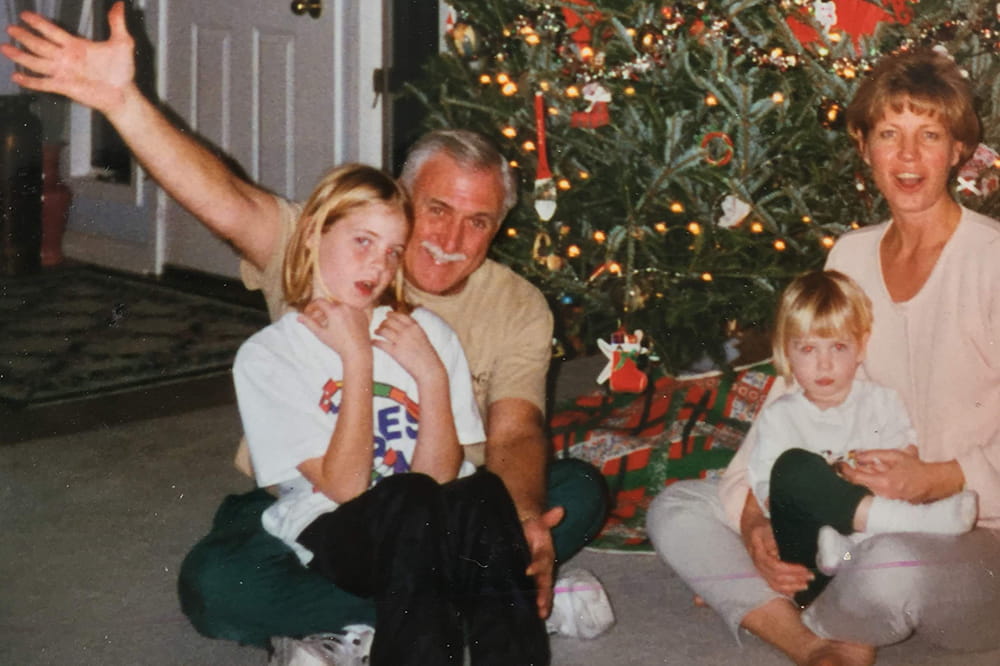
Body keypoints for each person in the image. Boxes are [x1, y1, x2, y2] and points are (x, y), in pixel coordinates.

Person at [2, 1, 608, 652]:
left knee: (572, 493)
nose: (451, 239)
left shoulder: (515, 303)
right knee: (219, 588)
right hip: (314, 498)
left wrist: (523, 519)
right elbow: (224, 198)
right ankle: (479, 595)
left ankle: (399, 605)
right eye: (435, 210)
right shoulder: (332, 249)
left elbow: (515, 429)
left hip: (454, 504)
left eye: (479, 221)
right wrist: (124, 103)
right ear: (400, 201)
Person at [647, 46, 1000, 666]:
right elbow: (794, 392)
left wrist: (939, 477)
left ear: (959, 150)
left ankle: (817, 607)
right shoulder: (851, 257)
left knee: (892, 569)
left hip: (970, 528)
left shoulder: (991, 261)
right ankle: (815, 647)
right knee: (678, 510)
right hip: (846, 505)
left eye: (930, 135)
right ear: (864, 147)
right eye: (890, 134)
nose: (910, 157)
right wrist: (755, 518)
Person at [234, 162, 547, 665]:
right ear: (314, 234)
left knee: (485, 491)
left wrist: (432, 377)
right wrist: (357, 357)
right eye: (363, 242)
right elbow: (345, 488)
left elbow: (440, 476)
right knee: (407, 499)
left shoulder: (422, 334)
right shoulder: (270, 355)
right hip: (338, 530)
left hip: (425, 517)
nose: (378, 267)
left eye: (392, 251)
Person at [747, 269, 977, 608]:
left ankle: (866, 544)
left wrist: (885, 470)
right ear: (786, 351)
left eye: (838, 346)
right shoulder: (780, 416)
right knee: (794, 468)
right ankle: (923, 524)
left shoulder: (882, 401)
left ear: (861, 347)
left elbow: (906, 461)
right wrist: (827, 488)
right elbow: (770, 492)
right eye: (808, 348)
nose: (824, 364)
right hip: (811, 565)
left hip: (875, 553)